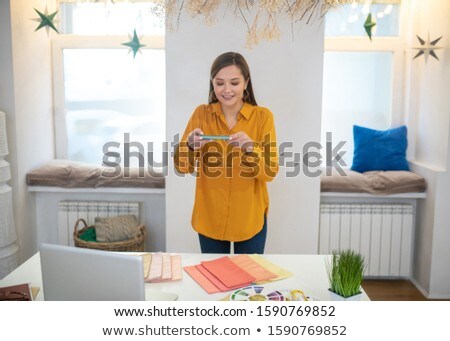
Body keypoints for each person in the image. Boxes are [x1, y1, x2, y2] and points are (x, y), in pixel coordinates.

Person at [174, 52, 278, 254]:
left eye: (234, 83)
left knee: (248, 281)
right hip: (210, 217)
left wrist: (251, 148)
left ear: (246, 83)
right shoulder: (201, 114)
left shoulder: (263, 117)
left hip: (250, 219)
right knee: (215, 281)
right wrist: (190, 145)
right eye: (220, 83)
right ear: (212, 83)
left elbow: (270, 172)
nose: (227, 90)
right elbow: (182, 167)